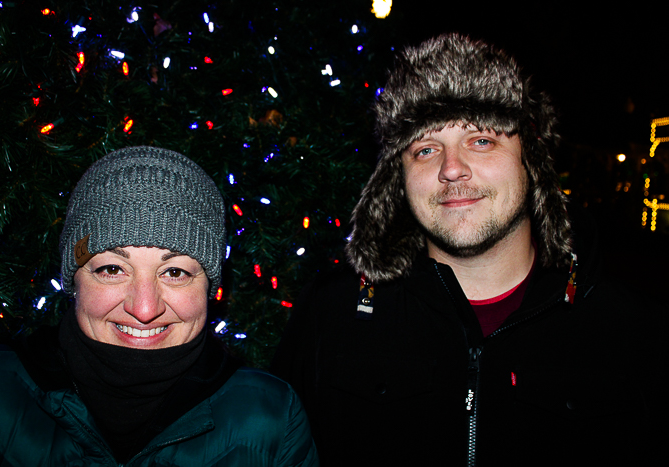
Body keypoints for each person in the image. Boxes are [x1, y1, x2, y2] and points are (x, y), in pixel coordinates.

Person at [271, 34, 666, 466]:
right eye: (425, 148)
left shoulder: (633, 334)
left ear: (531, 161)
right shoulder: (332, 316)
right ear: (395, 182)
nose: (451, 168)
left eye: (481, 140)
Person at [0, 146, 318, 466]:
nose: (145, 308)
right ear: (73, 279)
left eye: (175, 272)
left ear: (211, 287)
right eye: (112, 269)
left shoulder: (272, 418)